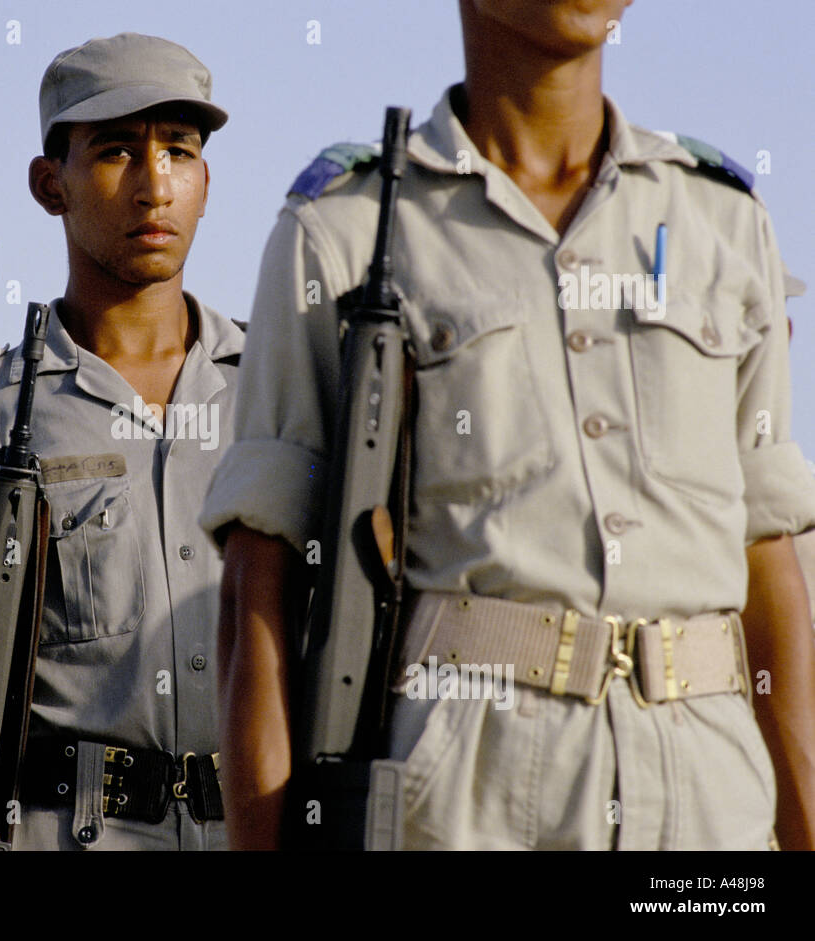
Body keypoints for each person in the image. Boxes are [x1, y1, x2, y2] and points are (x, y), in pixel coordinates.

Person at [202, 0, 815, 850]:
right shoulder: (347, 228)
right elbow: (258, 587)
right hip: (468, 792)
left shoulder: (722, 220)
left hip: (710, 799)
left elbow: (768, 565)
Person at [0, 32, 237, 851]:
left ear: (207, 182)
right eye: (118, 151)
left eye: (180, 151)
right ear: (49, 183)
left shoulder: (277, 396)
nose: (154, 184)